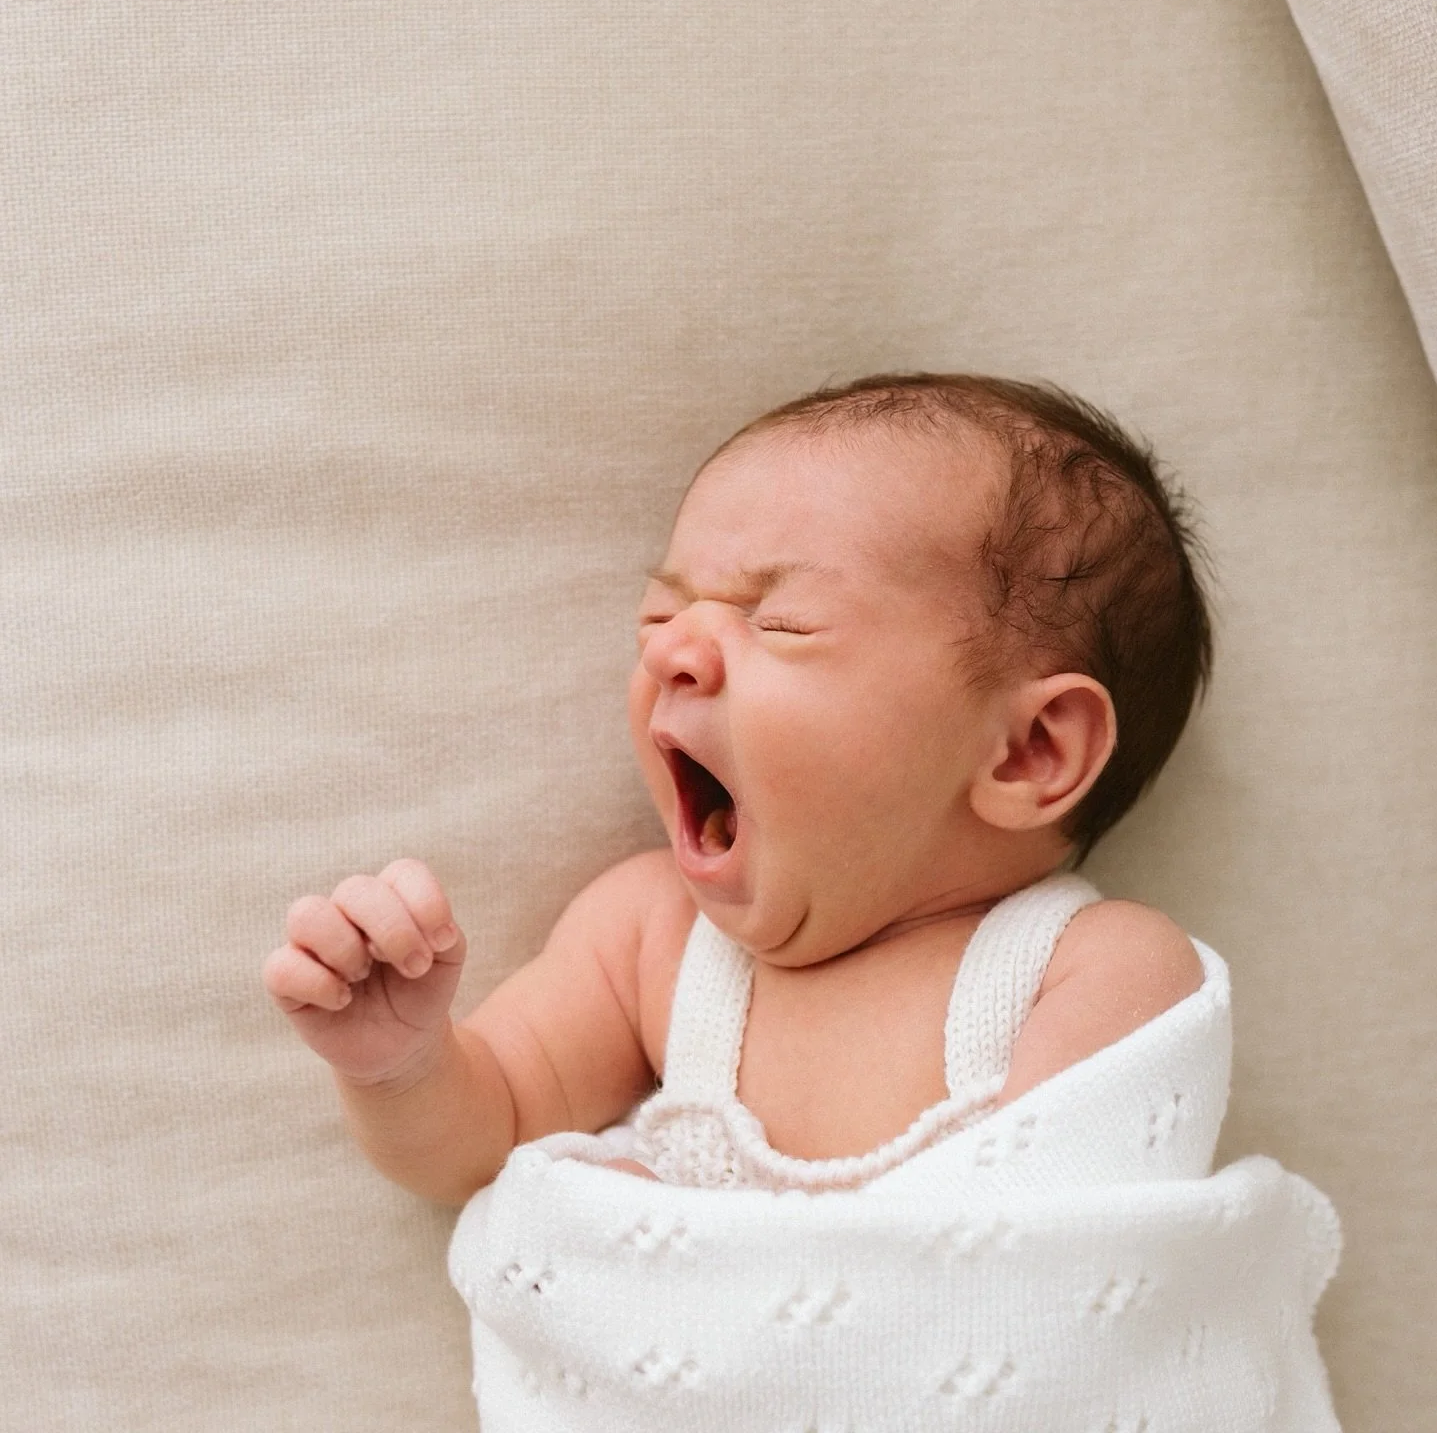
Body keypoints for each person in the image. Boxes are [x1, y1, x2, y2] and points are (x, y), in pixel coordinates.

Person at [262, 372, 1214, 1203]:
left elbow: (1049, 1260)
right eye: (663, 613)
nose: (671, 650)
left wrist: (696, 1238)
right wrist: (401, 1064)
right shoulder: (649, 938)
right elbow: (486, 1129)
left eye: (782, 621)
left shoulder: (1093, 969)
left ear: (1028, 752)